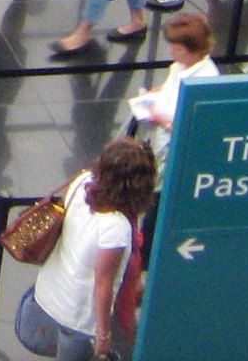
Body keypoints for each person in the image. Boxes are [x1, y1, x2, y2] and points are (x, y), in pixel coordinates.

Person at [14, 139, 156, 361]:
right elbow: (103, 284)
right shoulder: (116, 225)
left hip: (49, 291)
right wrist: (103, 335)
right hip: (78, 315)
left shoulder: (82, 182)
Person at [126, 14, 218, 168]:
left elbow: (194, 130)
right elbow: (170, 88)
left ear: (193, 50)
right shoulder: (180, 65)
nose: (170, 53)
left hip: (172, 148)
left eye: (177, 49)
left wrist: (160, 120)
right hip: (158, 134)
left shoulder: (204, 83)